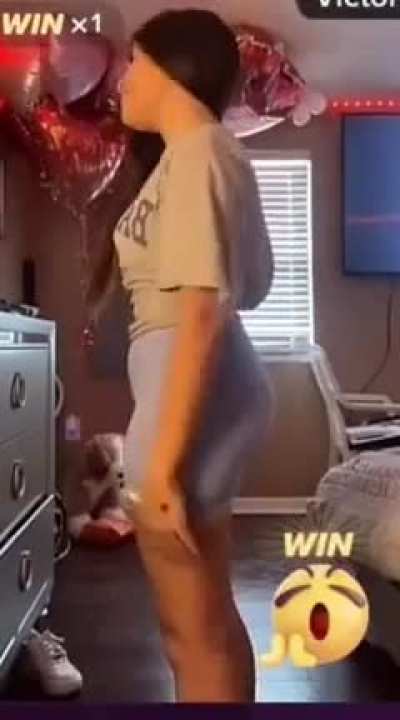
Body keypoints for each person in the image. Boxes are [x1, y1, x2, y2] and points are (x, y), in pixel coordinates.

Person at [113, 8, 274, 702]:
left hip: (192, 384)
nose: (122, 80)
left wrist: (166, 464)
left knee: (192, 631)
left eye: (132, 62)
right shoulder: (197, 155)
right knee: (200, 621)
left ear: (171, 66)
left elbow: (204, 310)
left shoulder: (203, 150)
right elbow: (252, 285)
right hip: (194, 383)